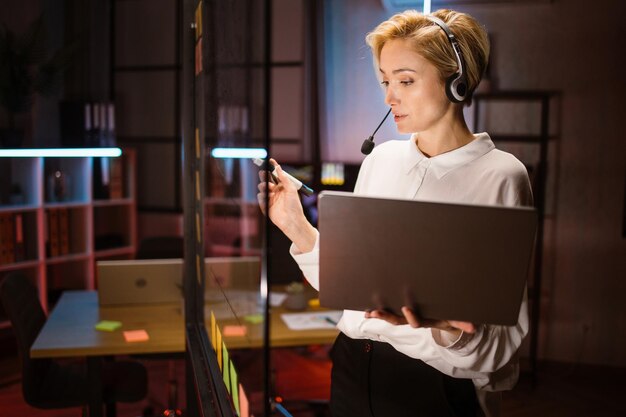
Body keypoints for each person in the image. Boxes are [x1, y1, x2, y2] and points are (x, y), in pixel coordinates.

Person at [258, 9, 532, 417]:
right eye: (386, 81)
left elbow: (497, 347)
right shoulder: (381, 160)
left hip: (430, 386)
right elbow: (354, 287)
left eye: (405, 81)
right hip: (351, 365)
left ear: (456, 80)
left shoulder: (502, 175)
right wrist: (297, 227)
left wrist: (445, 328)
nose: (389, 97)